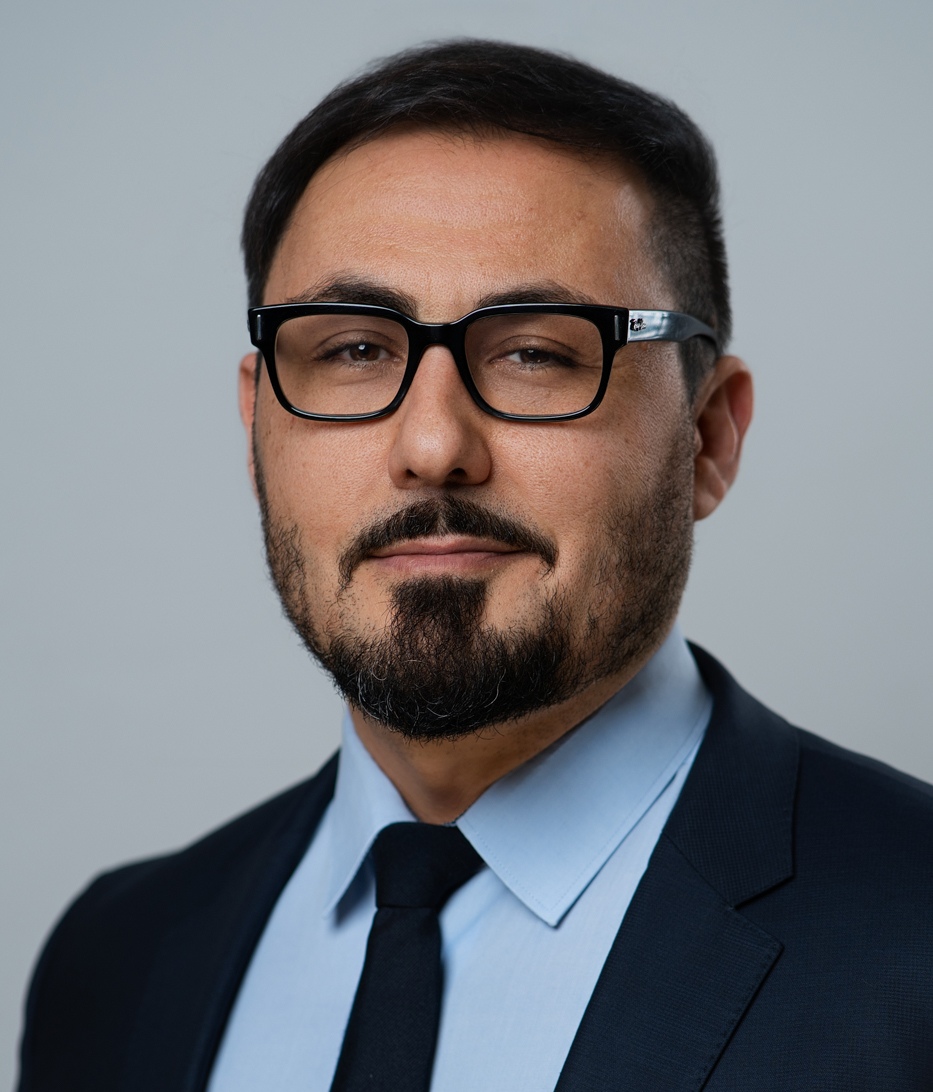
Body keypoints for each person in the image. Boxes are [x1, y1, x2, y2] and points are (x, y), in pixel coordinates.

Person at [16, 39, 933, 1092]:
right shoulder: (116, 963)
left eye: (538, 352)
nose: (433, 446)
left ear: (709, 439)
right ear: (257, 422)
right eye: (354, 350)